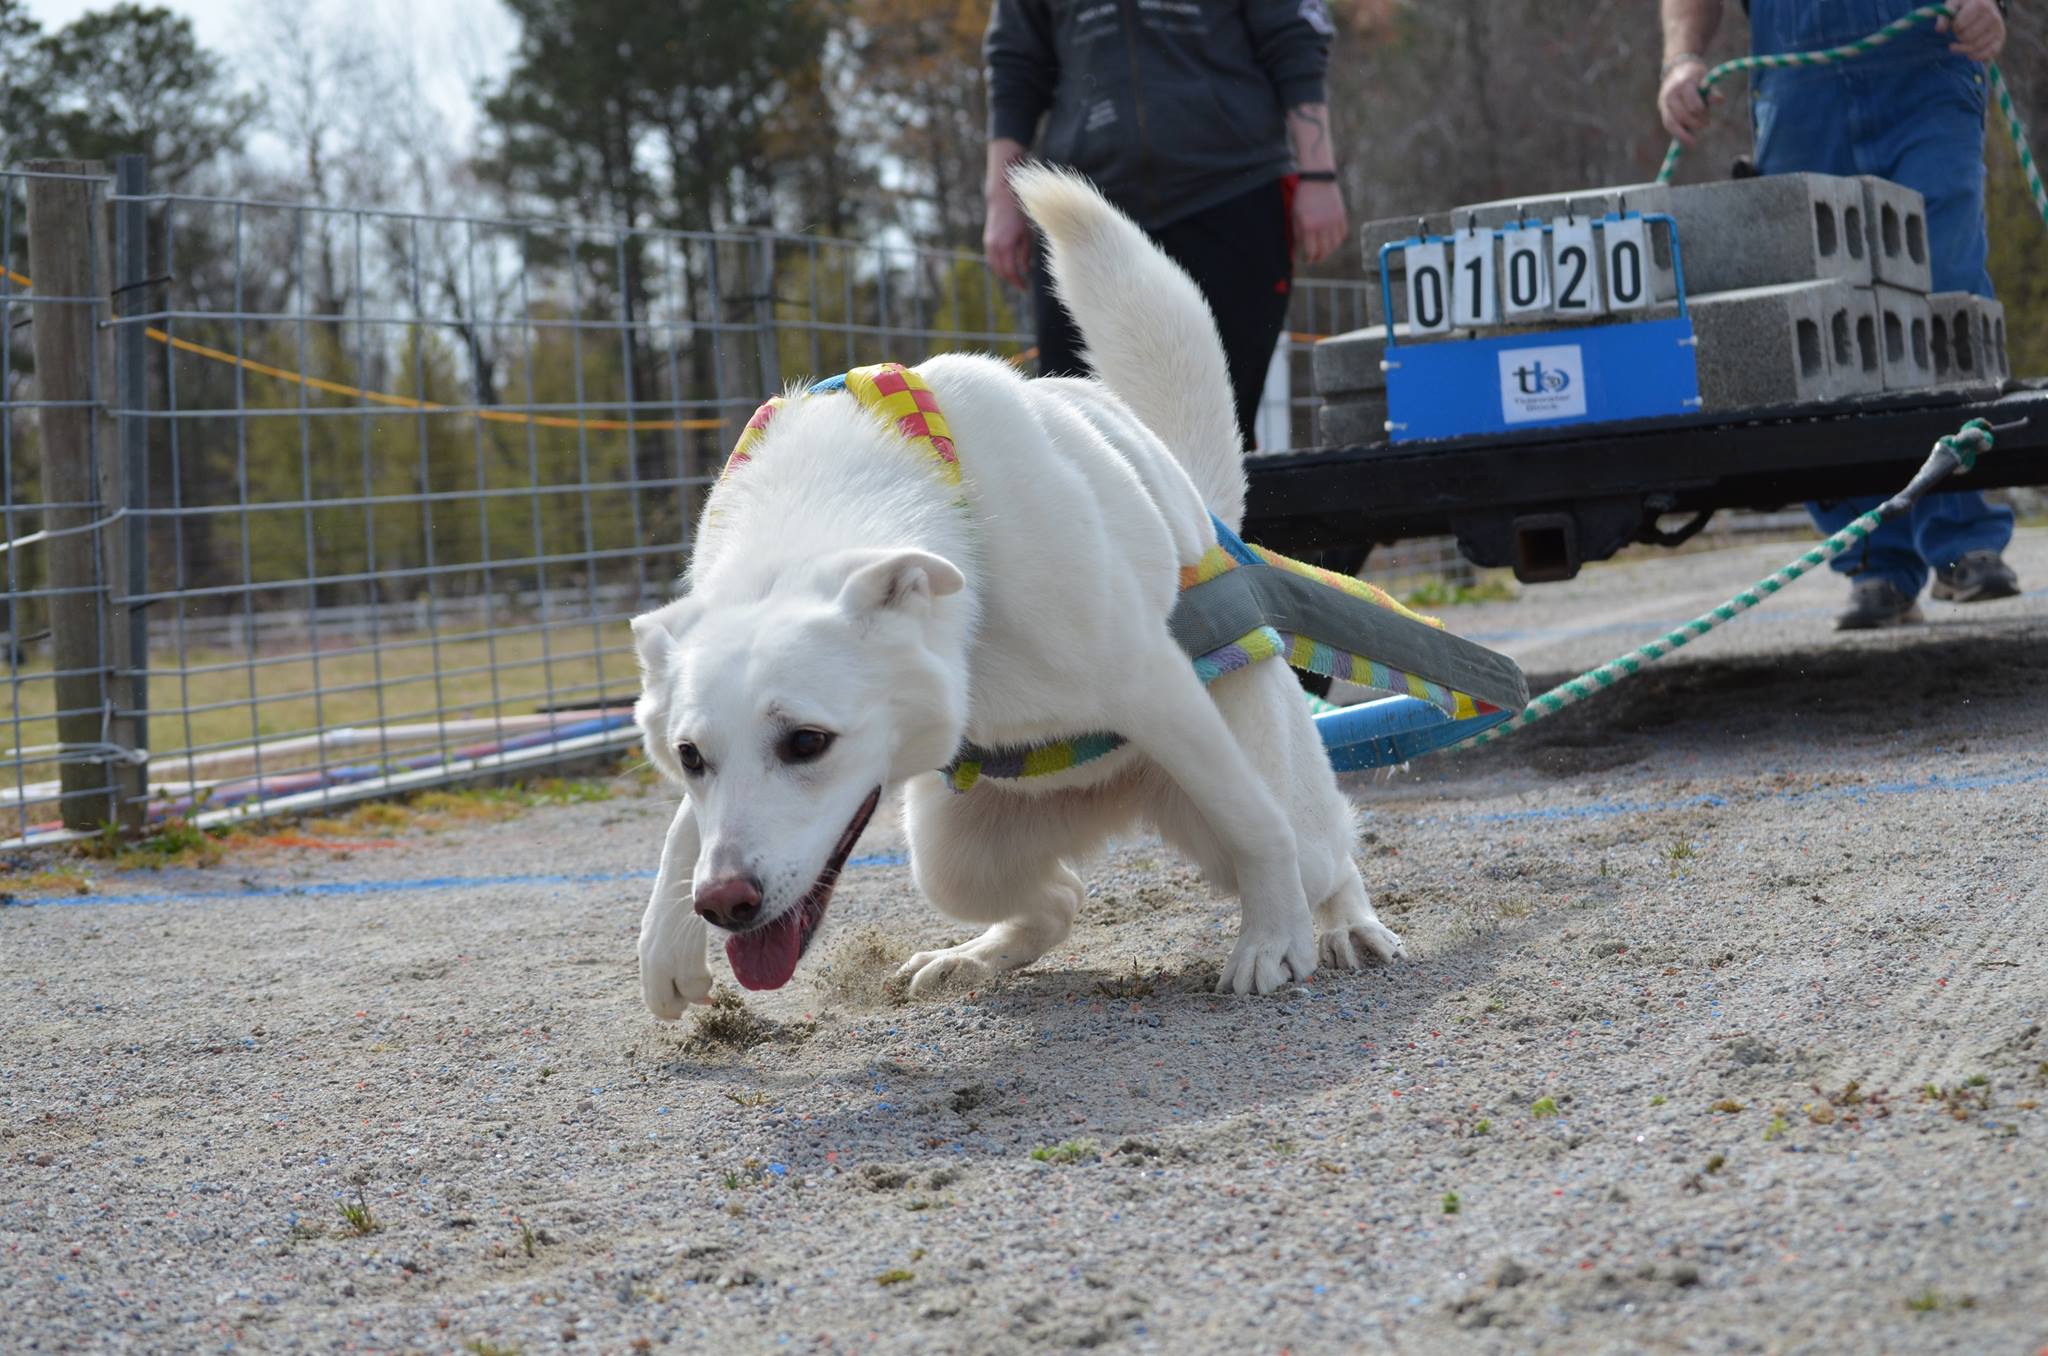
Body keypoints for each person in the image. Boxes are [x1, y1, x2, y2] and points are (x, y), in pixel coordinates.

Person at [1659, 0, 2023, 630]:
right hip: (1800, 93)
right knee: (1823, 320)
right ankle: (1872, 555)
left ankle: (1963, 536)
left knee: (1944, 291)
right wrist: (1683, 59)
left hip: (1926, 67)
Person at [981, 0, 1350, 451]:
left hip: (1232, 192)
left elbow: (1294, 35)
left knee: (1217, 438)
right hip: (1084, 205)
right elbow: (1016, 62)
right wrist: (1002, 197)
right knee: (1077, 434)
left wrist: (1318, 174)